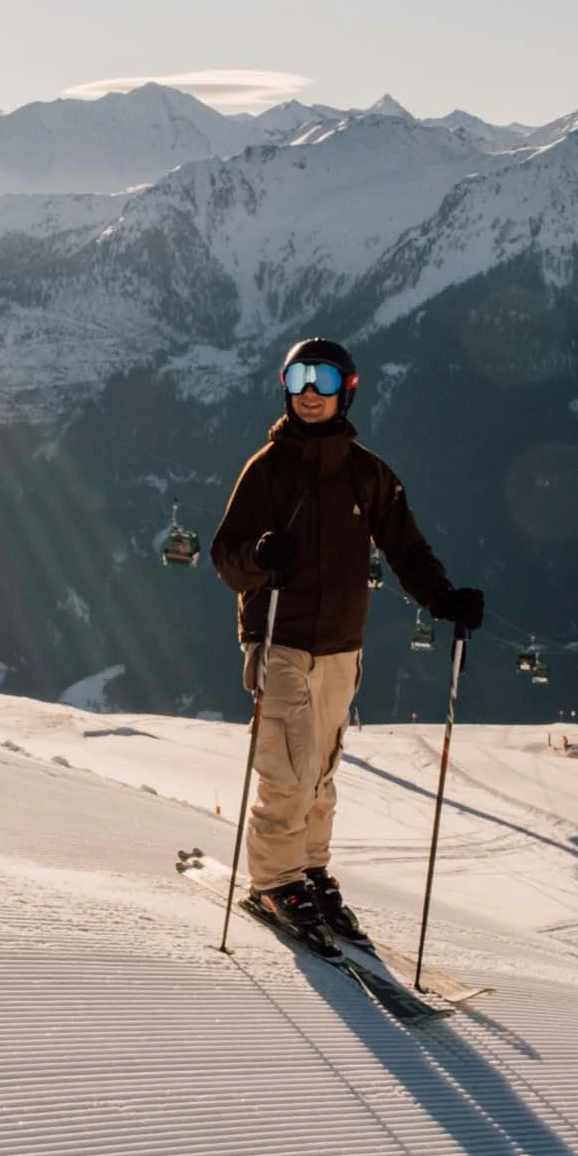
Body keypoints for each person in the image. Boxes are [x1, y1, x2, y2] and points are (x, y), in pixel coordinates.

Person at [211, 335, 482, 949]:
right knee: (287, 767)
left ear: (347, 391)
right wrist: (259, 556)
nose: (310, 392)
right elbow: (226, 557)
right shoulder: (267, 469)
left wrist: (443, 598)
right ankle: (275, 880)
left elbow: (407, 549)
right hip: (280, 638)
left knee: (322, 768)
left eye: (325, 380)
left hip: (341, 645)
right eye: (299, 379)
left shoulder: (368, 475)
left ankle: (308, 868)